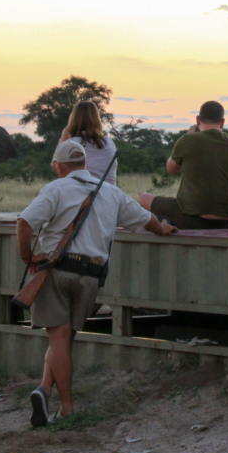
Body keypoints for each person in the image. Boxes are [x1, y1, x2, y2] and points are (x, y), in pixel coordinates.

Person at [17, 140, 177, 428]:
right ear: (84, 164)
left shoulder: (55, 189)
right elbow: (146, 219)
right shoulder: (110, 191)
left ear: (58, 166)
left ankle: (66, 408)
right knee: (66, 340)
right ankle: (44, 390)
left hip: (57, 271)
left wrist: (28, 257)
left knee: (58, 339)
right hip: (91, 275)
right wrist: (163, 229)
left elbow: (25, 223)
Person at [138, 100, 228, 229]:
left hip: (192, 219)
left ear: (198, 120)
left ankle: (162, 227)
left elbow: (171, 168)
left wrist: (188, 137)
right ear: (222, 122)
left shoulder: (188, 140)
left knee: (143, 199)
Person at [58, 100, 118, 184]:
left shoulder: (71, 145)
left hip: (83, 195)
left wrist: (62, 139)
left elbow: (58, 168)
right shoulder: (109, 142)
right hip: (109, 194)